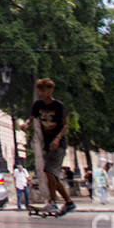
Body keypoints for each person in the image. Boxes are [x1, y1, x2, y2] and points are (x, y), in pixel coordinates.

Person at [20, 77, 75, 215]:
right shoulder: (38, 105)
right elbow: (31, 119)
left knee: (50, 171)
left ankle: (52, 202)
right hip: (48, 144)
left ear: (50, 90)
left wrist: (57, 139)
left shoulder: (58, 106)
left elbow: (65, 125)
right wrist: (26, 125)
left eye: (44, 91)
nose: (41, 94)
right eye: (40, 91)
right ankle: (69, 202)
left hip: (59, 143)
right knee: (52, 175)